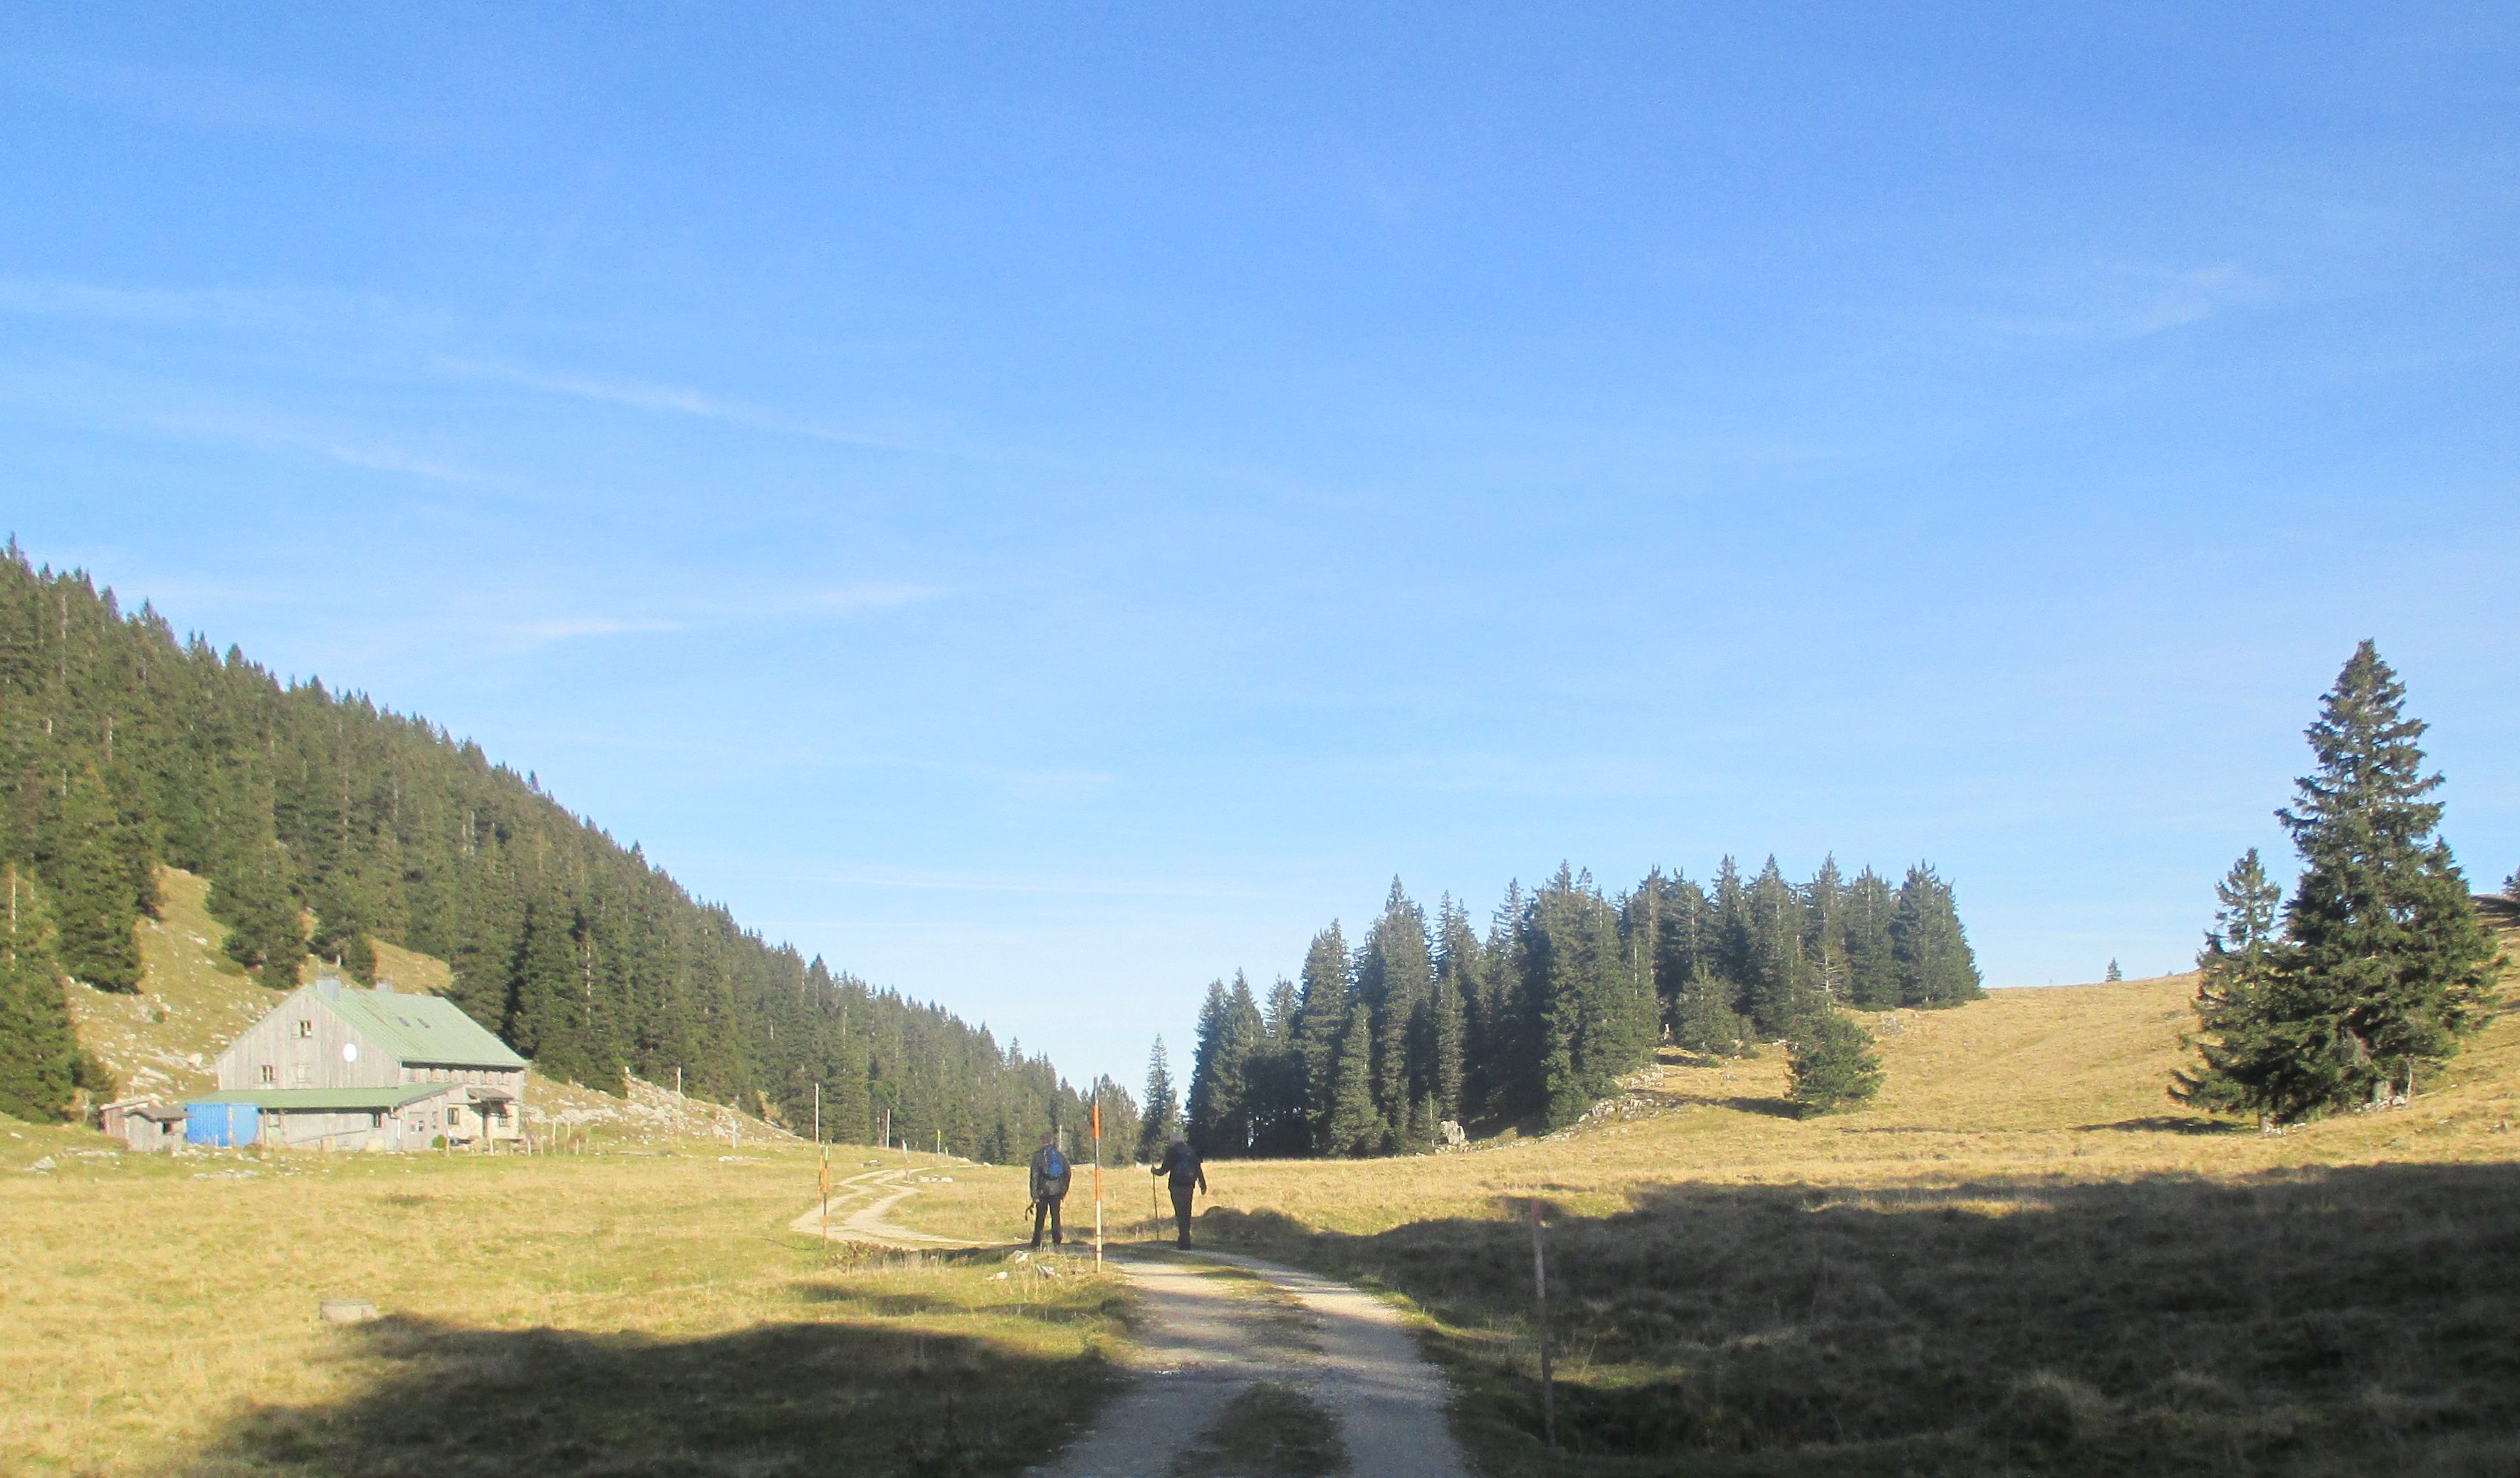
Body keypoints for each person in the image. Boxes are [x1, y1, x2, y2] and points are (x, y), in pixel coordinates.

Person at [1153, 1130, 1206, 1248]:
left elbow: (1163, 1170)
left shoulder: (1173, 1152)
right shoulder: (1190, 1151)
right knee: (1187, 1213)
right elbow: (1198, 1169)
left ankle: (1184, 1241)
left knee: (1180, 1213)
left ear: (1173, 1141)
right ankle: (1186, 1239)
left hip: (1176, 1186)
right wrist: (1203, 1184)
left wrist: (1154, 1171)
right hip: (1189, 1186)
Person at [1028, 1131, 1072, 1248]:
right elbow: (1067, 1173)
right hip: (1057, 1191)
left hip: (1042, 1192)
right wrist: (1063, 1191)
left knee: (1040, 1217)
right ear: (1051, 1141)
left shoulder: (1037, 1156)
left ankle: (1036, 1242)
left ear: (1041, 1142)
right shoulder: (1059, 1156)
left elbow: (1034, 1176)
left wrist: (1034, 1195)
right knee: (1055, 1216)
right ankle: (1057, 1241)